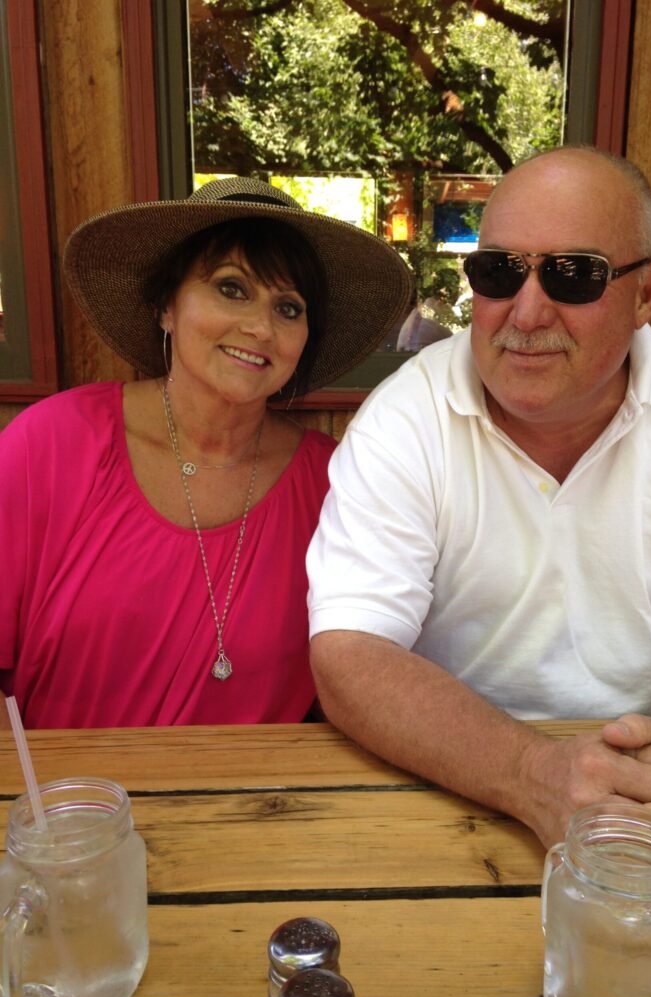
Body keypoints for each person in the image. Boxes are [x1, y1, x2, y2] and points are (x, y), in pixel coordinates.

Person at [307, 146, 651, 861]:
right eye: (499, 272)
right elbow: (351, 650)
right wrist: (532, 773)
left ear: (647, 293)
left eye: (573, 275)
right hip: (455, 783)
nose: (525, 312)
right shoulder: (406, 415)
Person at [0, 177, 411, 727]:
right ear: (166, 306)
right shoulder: (53, 444)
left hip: (257, 784)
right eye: (231, 288)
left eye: (289, 308)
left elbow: (358, 676)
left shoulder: (336, 486)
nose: (260, 327)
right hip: (62, 784)